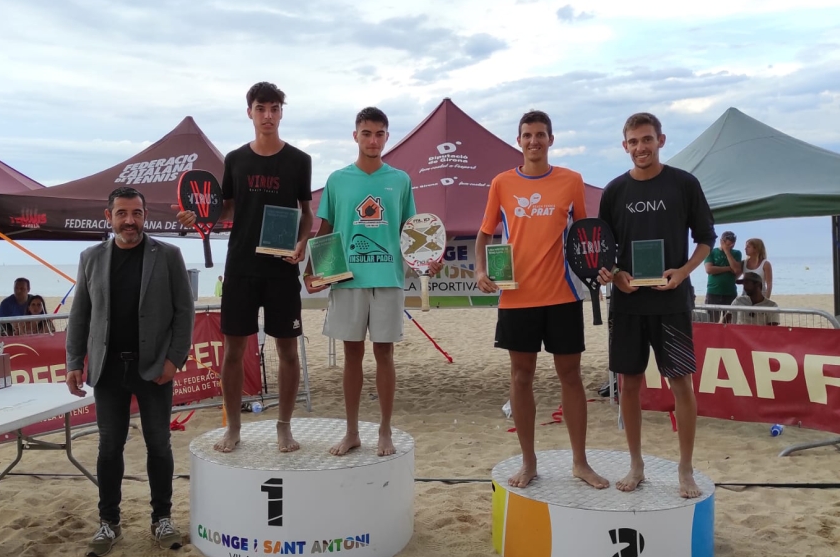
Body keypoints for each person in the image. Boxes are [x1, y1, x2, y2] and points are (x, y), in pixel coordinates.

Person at [474, 110, 608, 490]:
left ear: (551, 139)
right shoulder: (501, 183)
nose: (534, 141)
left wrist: (598, 268)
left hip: (563, 295)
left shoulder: (571, 181)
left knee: (571, 377)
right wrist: (480, 271)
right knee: (521, 377)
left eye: (540, 135)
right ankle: (529, 462)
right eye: (527, 135)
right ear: (519, 141)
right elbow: (485, 234)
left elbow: (585, 235)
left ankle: (580, 462)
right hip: (516, 297)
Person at [177, 81, 312, 454]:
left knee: (288, 351)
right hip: (240, 266)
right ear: (249, 112)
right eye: (261, 108)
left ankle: (283, 426)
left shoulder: (300, 160)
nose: (268, 116)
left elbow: (307, 212)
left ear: (281, 112)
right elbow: (227, 208)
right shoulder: (235, 159)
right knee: (234, 351)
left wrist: (303, 243)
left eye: (274, 108)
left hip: (282, 267)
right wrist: (199, 216)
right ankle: (233, 426)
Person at [304, 107, 442, 457]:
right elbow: (326, 229)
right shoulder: (338, 179)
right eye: (366, 133)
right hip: (347, 279)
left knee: (385, 354)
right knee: (352, 355)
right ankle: (351, 431)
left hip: (388, 278)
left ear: (387, 137)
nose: (373, 140)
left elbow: (413, 233)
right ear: (355, 136)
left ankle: (384, 431)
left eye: (379, 134)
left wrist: (428, 260)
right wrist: (312, 270)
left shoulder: (399, 180)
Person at [66, 186, 195, 557]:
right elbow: (81, 314)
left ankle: (162, 518)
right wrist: (75, 361)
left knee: (159, 444)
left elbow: (184, 312)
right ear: (109, 217)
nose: (130, 221)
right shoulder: (91, 257)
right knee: (109, 447)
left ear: (145, 215)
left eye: (136, 213)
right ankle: (109, 522)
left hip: (154, 368)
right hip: (107, 369)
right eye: (122, 213)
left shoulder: (167, 255)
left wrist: (174, 360)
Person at [597, 112, 717, 499]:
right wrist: (615, 275)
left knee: (681, 384)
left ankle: (685, 469)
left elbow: (705, 240)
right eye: (633, 142)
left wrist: (682, 272)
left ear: (661, 140)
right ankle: (636, 464)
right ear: (624, 146)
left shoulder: (684, 183)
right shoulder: (614, 191)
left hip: (671, 304)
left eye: (647, 140)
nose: (640, 148)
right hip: (628, 306)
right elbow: (605, 249)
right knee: (628, 386)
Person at [703, 230, 742, 321]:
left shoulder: (736, 253)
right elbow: (709, 269)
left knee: (729, 323)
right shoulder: (711, 252)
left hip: (730, 293)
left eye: (733, 244)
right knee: (711, 322)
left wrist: (727, 252)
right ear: (722, 241)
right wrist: (728, 268)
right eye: (728, 245)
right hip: (713, 293)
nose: (731, 246)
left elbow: (736, 270)